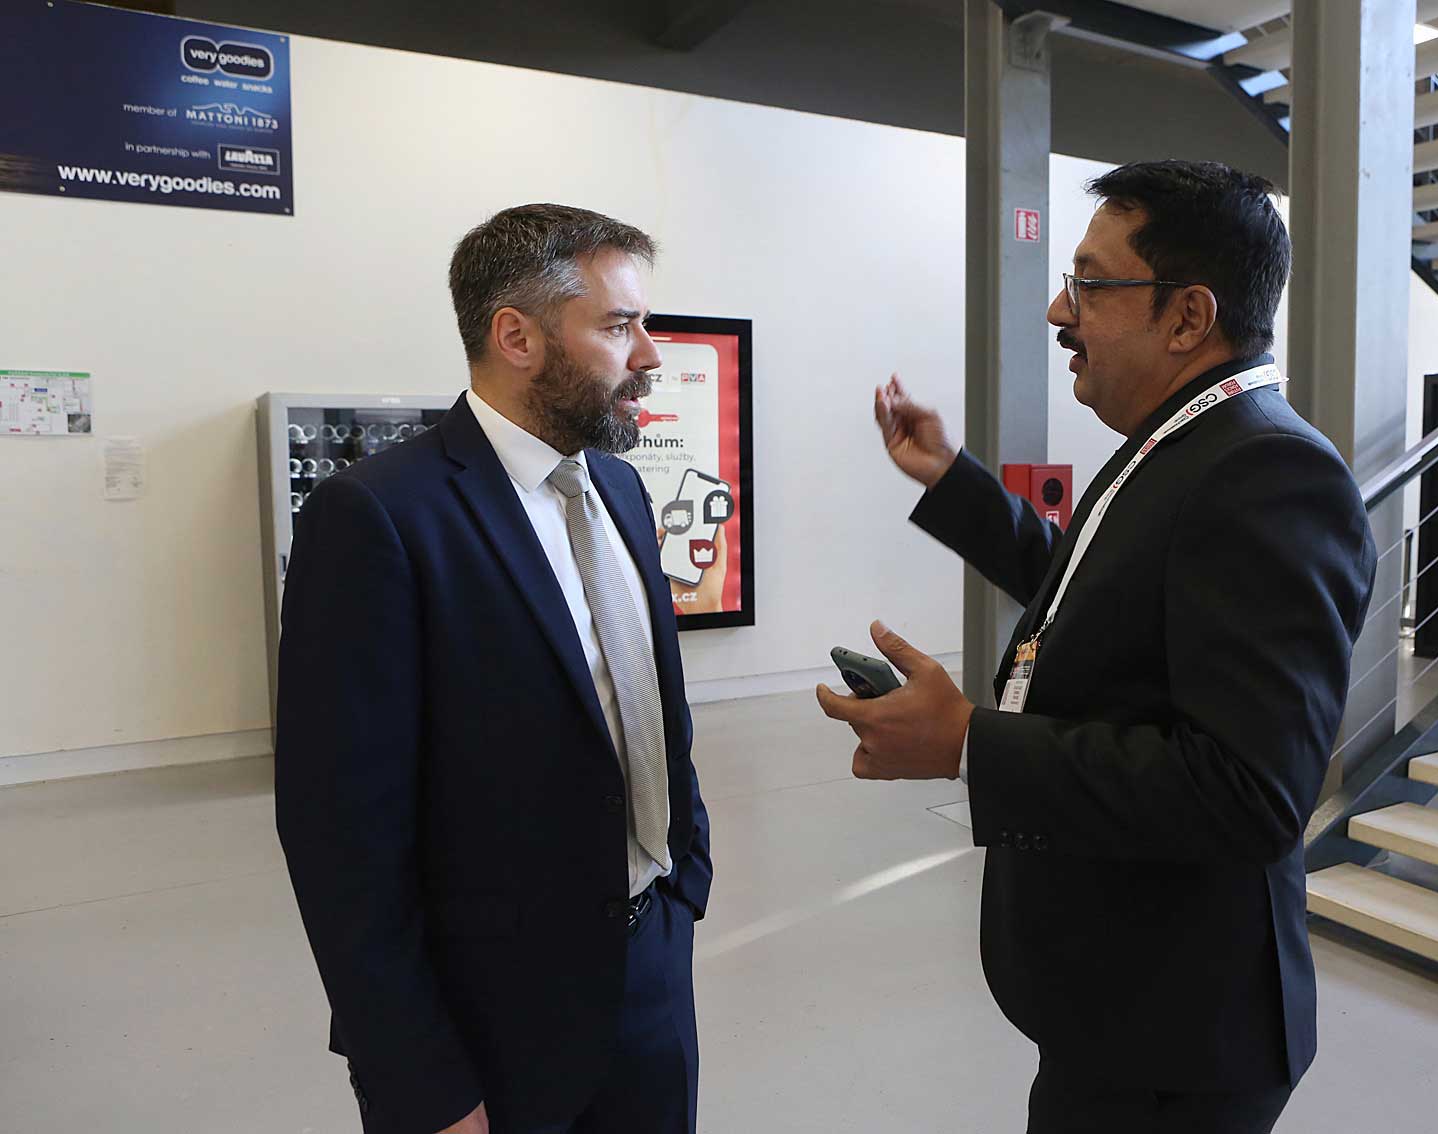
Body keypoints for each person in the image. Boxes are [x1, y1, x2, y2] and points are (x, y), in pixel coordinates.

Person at [817, 160, 1376, 1133]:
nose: (1056, 311)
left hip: (1176, 1044)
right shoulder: (1186, 441)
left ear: (1187, 316)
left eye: (1089, 284)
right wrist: (954, 482)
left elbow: (1249, 792)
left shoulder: (1269, 473)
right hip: (1124, 1014)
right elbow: (1099, 593)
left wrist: (967, 742)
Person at [275, 204, 712, 1134]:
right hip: (488, 1014)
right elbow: (340, 839)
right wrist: (418, 1078)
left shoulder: (620, 487)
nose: (648, 356)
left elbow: (645, 707)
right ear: (516, 337)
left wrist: (683, 883)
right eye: (619, 326)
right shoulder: (377, 517)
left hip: (650, 966)